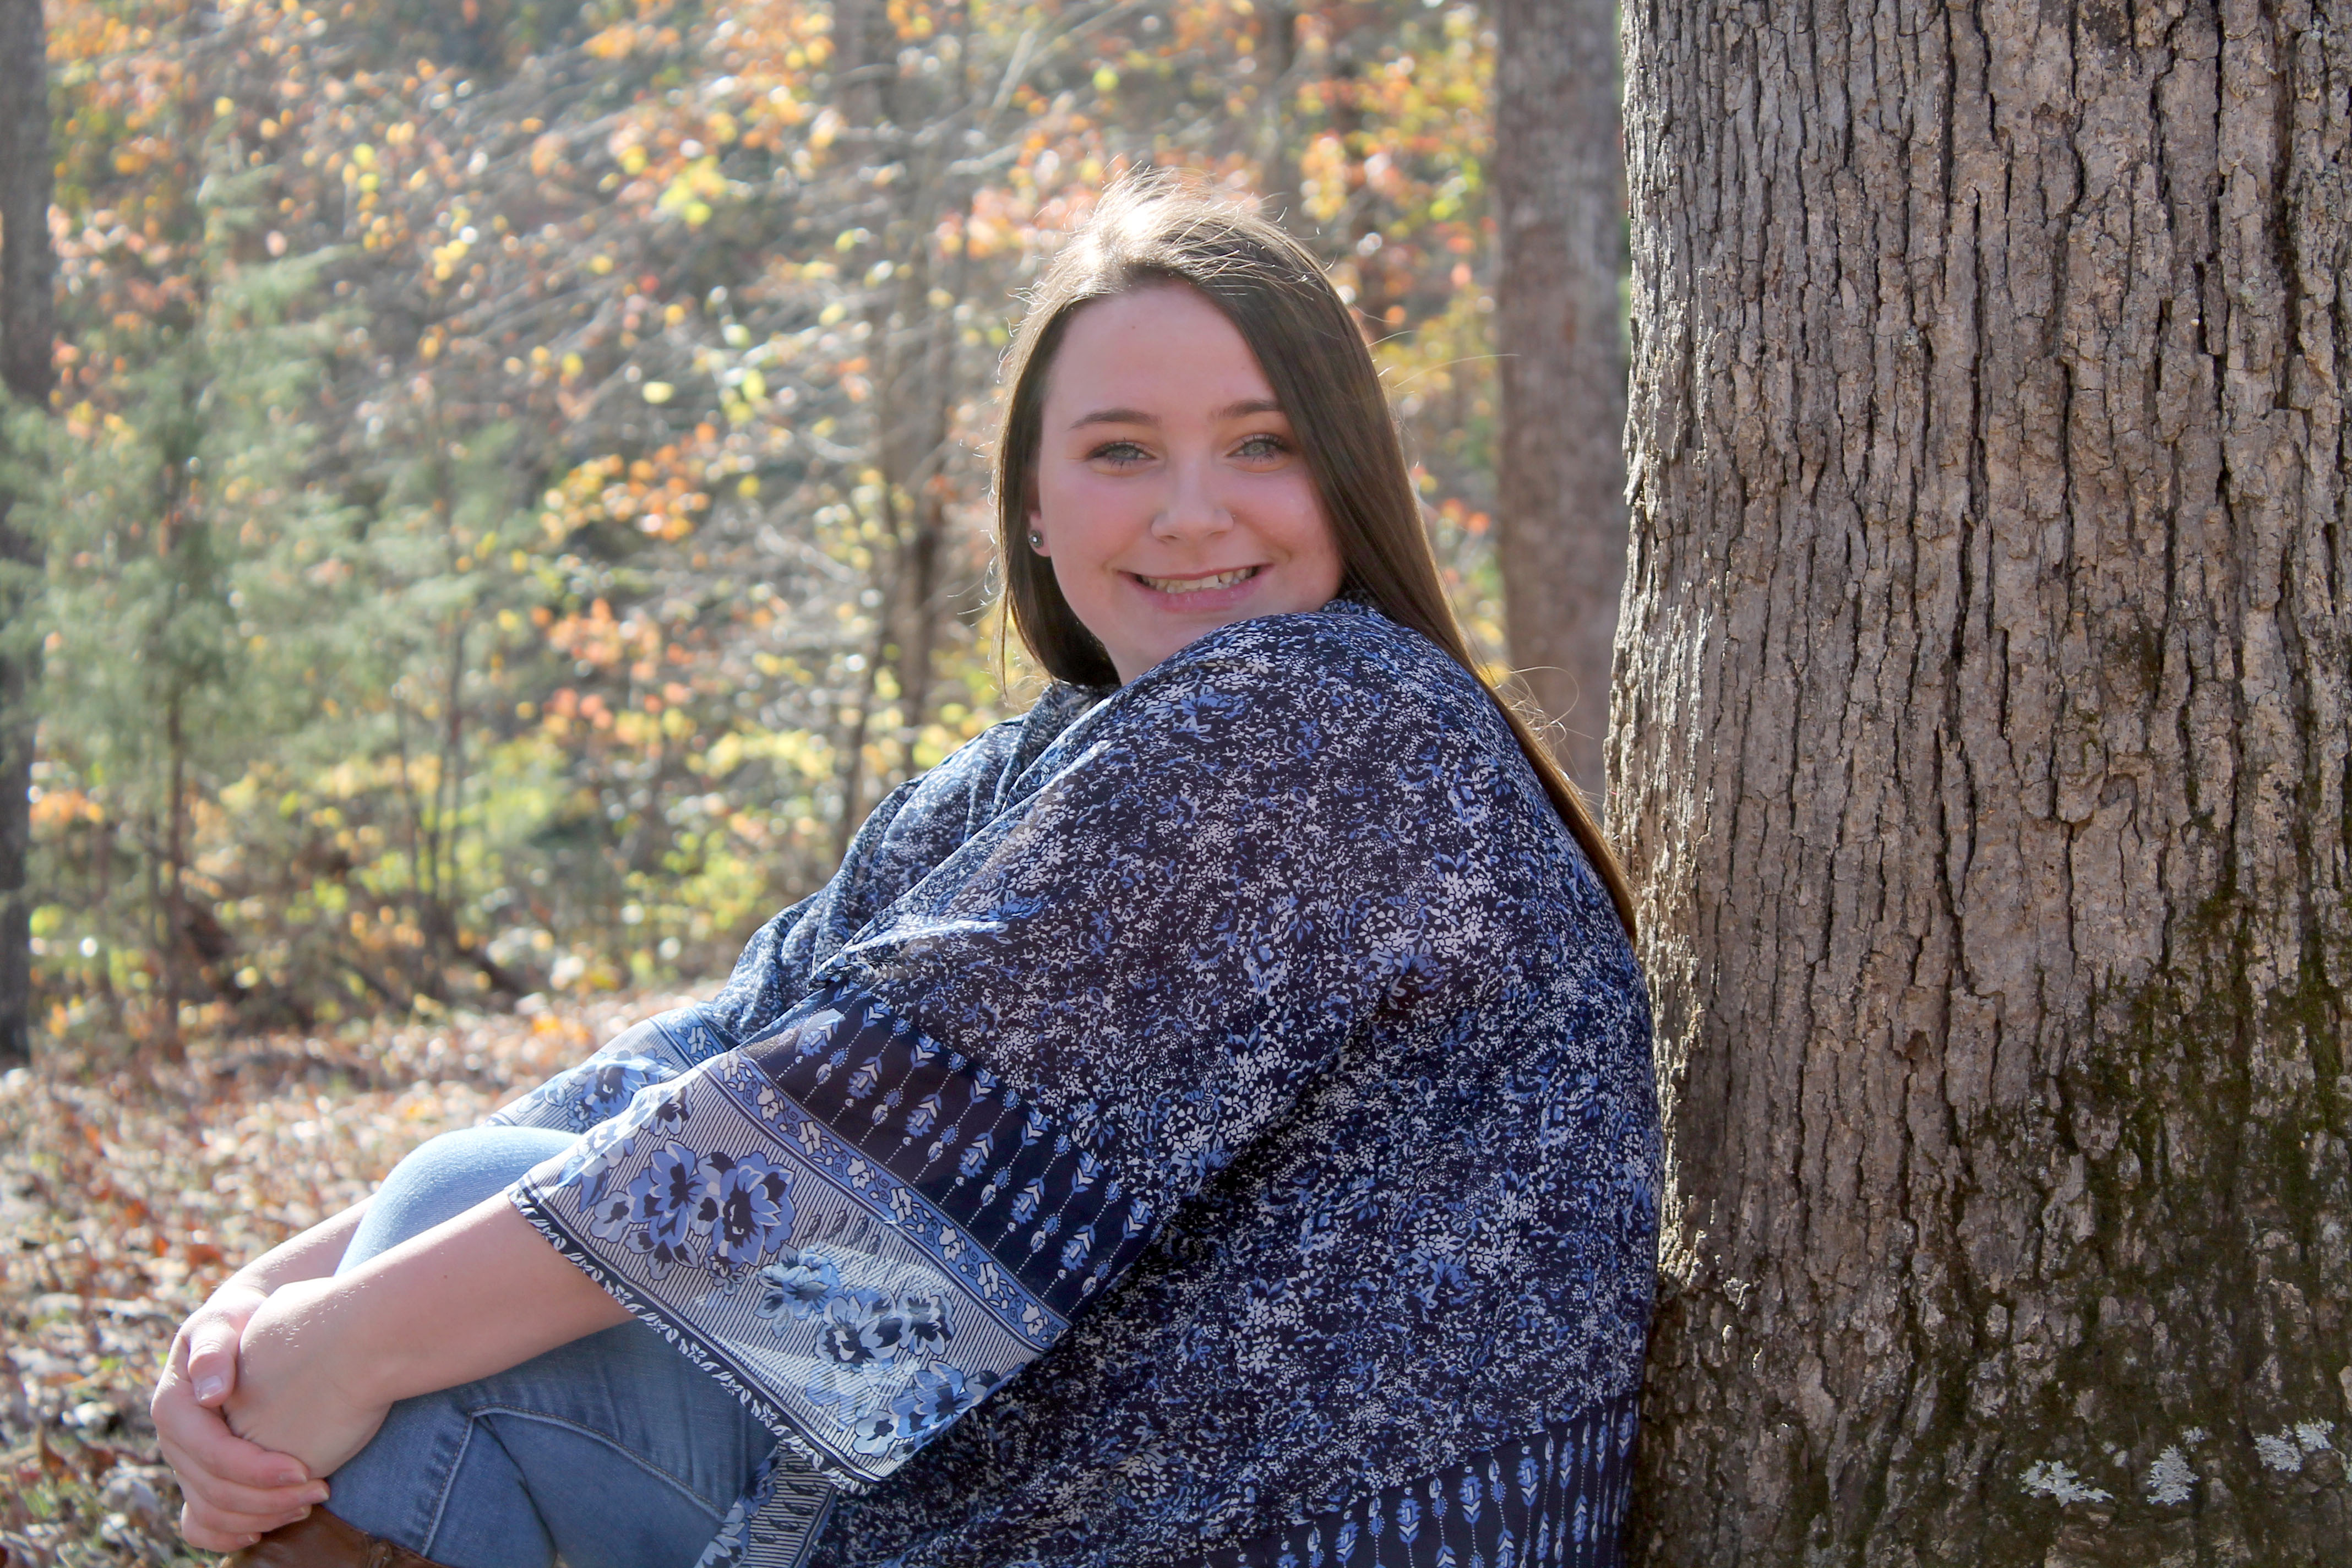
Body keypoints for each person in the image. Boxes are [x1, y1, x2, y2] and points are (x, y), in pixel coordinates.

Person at [150, 176, 1660, 1568]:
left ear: (1349, 477)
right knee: (450, 1219)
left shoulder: (1329, 723)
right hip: (1081, 1489)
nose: (1193, 509)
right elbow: (712, 1047)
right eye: (1121, 451)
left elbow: (837, 1139)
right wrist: (263, 1306)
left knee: (431, 1354)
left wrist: (336, 1352)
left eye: (1263, 444)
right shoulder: (1045, 766)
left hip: (1277, 1526)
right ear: (1034, 506)